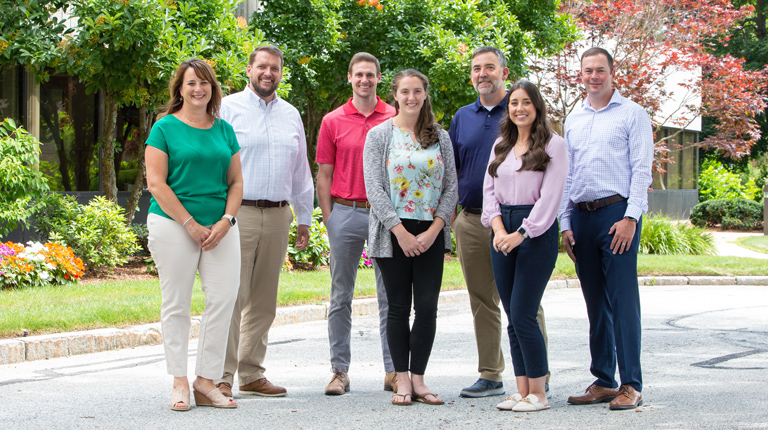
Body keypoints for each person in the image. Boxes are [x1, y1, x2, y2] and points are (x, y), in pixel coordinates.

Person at [449, 46, 551, 398]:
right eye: (477, 68)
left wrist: (518, 229)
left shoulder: (521, 112)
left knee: (525, 302)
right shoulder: (462, 117)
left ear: (504, 73)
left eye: (490, 67)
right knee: (483, 300)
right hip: (473, 220)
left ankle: (540, 374)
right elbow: (454, 170)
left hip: (519, 224)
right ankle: (491, 373)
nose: (483, 74)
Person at [213, 46, 314, 398]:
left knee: (264, 300)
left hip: (278, 215)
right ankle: (221, 376)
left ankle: (252, 373)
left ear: (281, 72)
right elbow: (215, 161)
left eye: (274, 67)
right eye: (261, 66)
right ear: (249, 69)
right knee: (232, 296)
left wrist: (303, 216)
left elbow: (301, 169)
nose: (267, 72)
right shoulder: (227, 109)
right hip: (238, 214)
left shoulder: (291, 114)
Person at [558, 47, 653, 411]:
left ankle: (631, 383)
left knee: (623, 302)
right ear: (580, 75)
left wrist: (631, 219)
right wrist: (566, 223)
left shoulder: (633, 114)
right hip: (582, 218)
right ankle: (604, 379)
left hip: (617, 216)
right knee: (595, 304)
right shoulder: (573, 118)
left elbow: (642, 170)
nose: (593, 76)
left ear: (612, 73)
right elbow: (570, 175)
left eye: (600, 70)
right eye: (587, 71)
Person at [145, 58, 242, 410]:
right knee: (177, 303)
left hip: (220, 228)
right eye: (191, 83)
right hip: (174, 225)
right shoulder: (165, 128)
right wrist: (190, 224)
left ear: (212, 88)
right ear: (180, 90)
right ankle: (180, 381)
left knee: (223, 299)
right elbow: (155, 183)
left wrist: (227, 221)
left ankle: (206, 380)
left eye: (204, 83)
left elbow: (235, 182)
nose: (198, 89)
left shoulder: (224, 130)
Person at [363, 69, 458, 406]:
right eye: (405, 91)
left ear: (425, 94)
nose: (411, 98)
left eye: (417, 91)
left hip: (430, 230)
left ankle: (419, 379)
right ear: (395, 94)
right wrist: (399, 232)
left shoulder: (440, 137)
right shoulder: (379, 135)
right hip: (394, 233)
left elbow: (451, 188)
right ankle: (401, 380)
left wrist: (435, 230)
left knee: (428, 308)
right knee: (398, 308)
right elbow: (374, 188)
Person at [481, 80, 567, 412]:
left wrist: (521, 233)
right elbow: (489, 191)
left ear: (537, 107)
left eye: (526, 102)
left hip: (536, 231)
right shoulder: (501, 145)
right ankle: (522, 391)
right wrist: (499, 229)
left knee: (524, 313)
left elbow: (551, 197)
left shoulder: (554, 145)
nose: (519, 108)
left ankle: (540, 394)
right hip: (502, 231)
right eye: (514, 102)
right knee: (512, 317)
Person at [316, 52, 397, 395]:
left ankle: (395, 370)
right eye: (359, 74)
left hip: (385, 217)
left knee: (390, 296)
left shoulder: (395, 117)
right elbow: (324, 175)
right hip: (345, 212)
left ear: (379, 78)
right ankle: (339, 371)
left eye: (371, 75)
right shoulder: (333, 120)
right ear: (349, 77)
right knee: (340, 297)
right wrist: (330, 218)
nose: (365, 79)